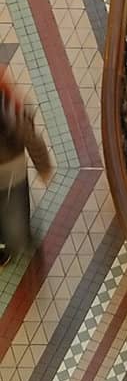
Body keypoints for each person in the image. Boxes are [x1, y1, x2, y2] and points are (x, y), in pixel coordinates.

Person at [0, 66, 54, 264]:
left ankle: (16, 242)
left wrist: (43, 166)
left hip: (13, 176)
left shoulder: (9, 113)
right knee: (13, 211)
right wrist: (44, 167)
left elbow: (30, 139)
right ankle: (14, 242)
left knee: (15, 211)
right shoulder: (10, 109)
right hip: (12, 174)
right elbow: (32, 139)